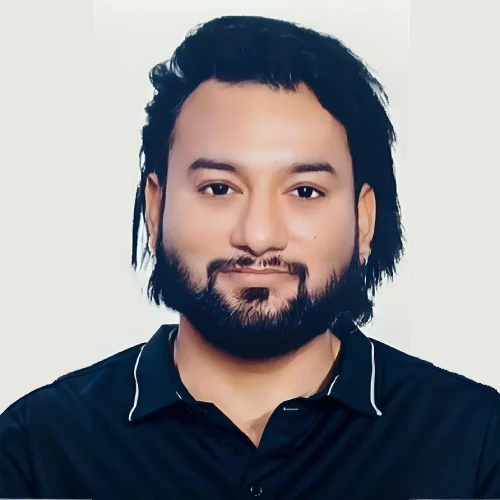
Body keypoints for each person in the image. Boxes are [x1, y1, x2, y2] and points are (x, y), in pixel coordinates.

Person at [1, 14, 498, 500]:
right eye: (219, 188)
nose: (259, 237)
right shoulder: (38, 451)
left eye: (305, 191)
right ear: (155, 209)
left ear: (364, 219)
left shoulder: (475, 442)